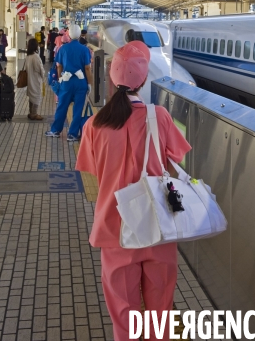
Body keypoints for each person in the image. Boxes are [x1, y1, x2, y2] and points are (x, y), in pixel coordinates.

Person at [76, 41, 191, 341]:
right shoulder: (161, 117)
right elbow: (178, 157)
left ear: (112, 79)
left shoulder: (93, 125)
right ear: (143, 81)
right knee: (160, 313)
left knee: (124, 315)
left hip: (115, 232)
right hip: (158, 227)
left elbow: (93, 171)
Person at [45, 24, 92, 141]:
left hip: (66, 81)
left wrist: (61, 77)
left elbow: (59, 66)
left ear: (69, 35)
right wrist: (89, 83)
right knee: (78, 109)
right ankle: (72, 134)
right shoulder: (85, 49)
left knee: (62, 106)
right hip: (81, 83)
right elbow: (87, 68)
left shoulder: (63, 49)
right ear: (80, 34)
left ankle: (55, 130)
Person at [25, 38, 46, 120]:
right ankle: (34, 113)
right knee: (37, 95)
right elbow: (39, 69)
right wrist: (43, 74)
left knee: (31, 95)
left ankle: (31, 112)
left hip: (29, 78)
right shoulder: (35, 56)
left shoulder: (28, 56)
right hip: (36, 79)